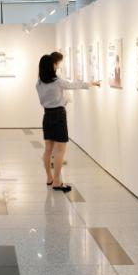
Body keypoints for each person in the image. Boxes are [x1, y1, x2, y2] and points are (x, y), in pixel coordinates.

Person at [37, 53, 100, 192]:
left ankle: (49, 178)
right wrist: (91, 83)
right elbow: (73, 85)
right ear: (51, 66)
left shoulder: (39, 83)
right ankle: (57, 182)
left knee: (48, 149)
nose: (56, 65)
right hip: (59, 115)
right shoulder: (57, 82)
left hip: (47, 115)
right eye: (54, 64)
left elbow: (43, 100)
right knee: (60, 150)